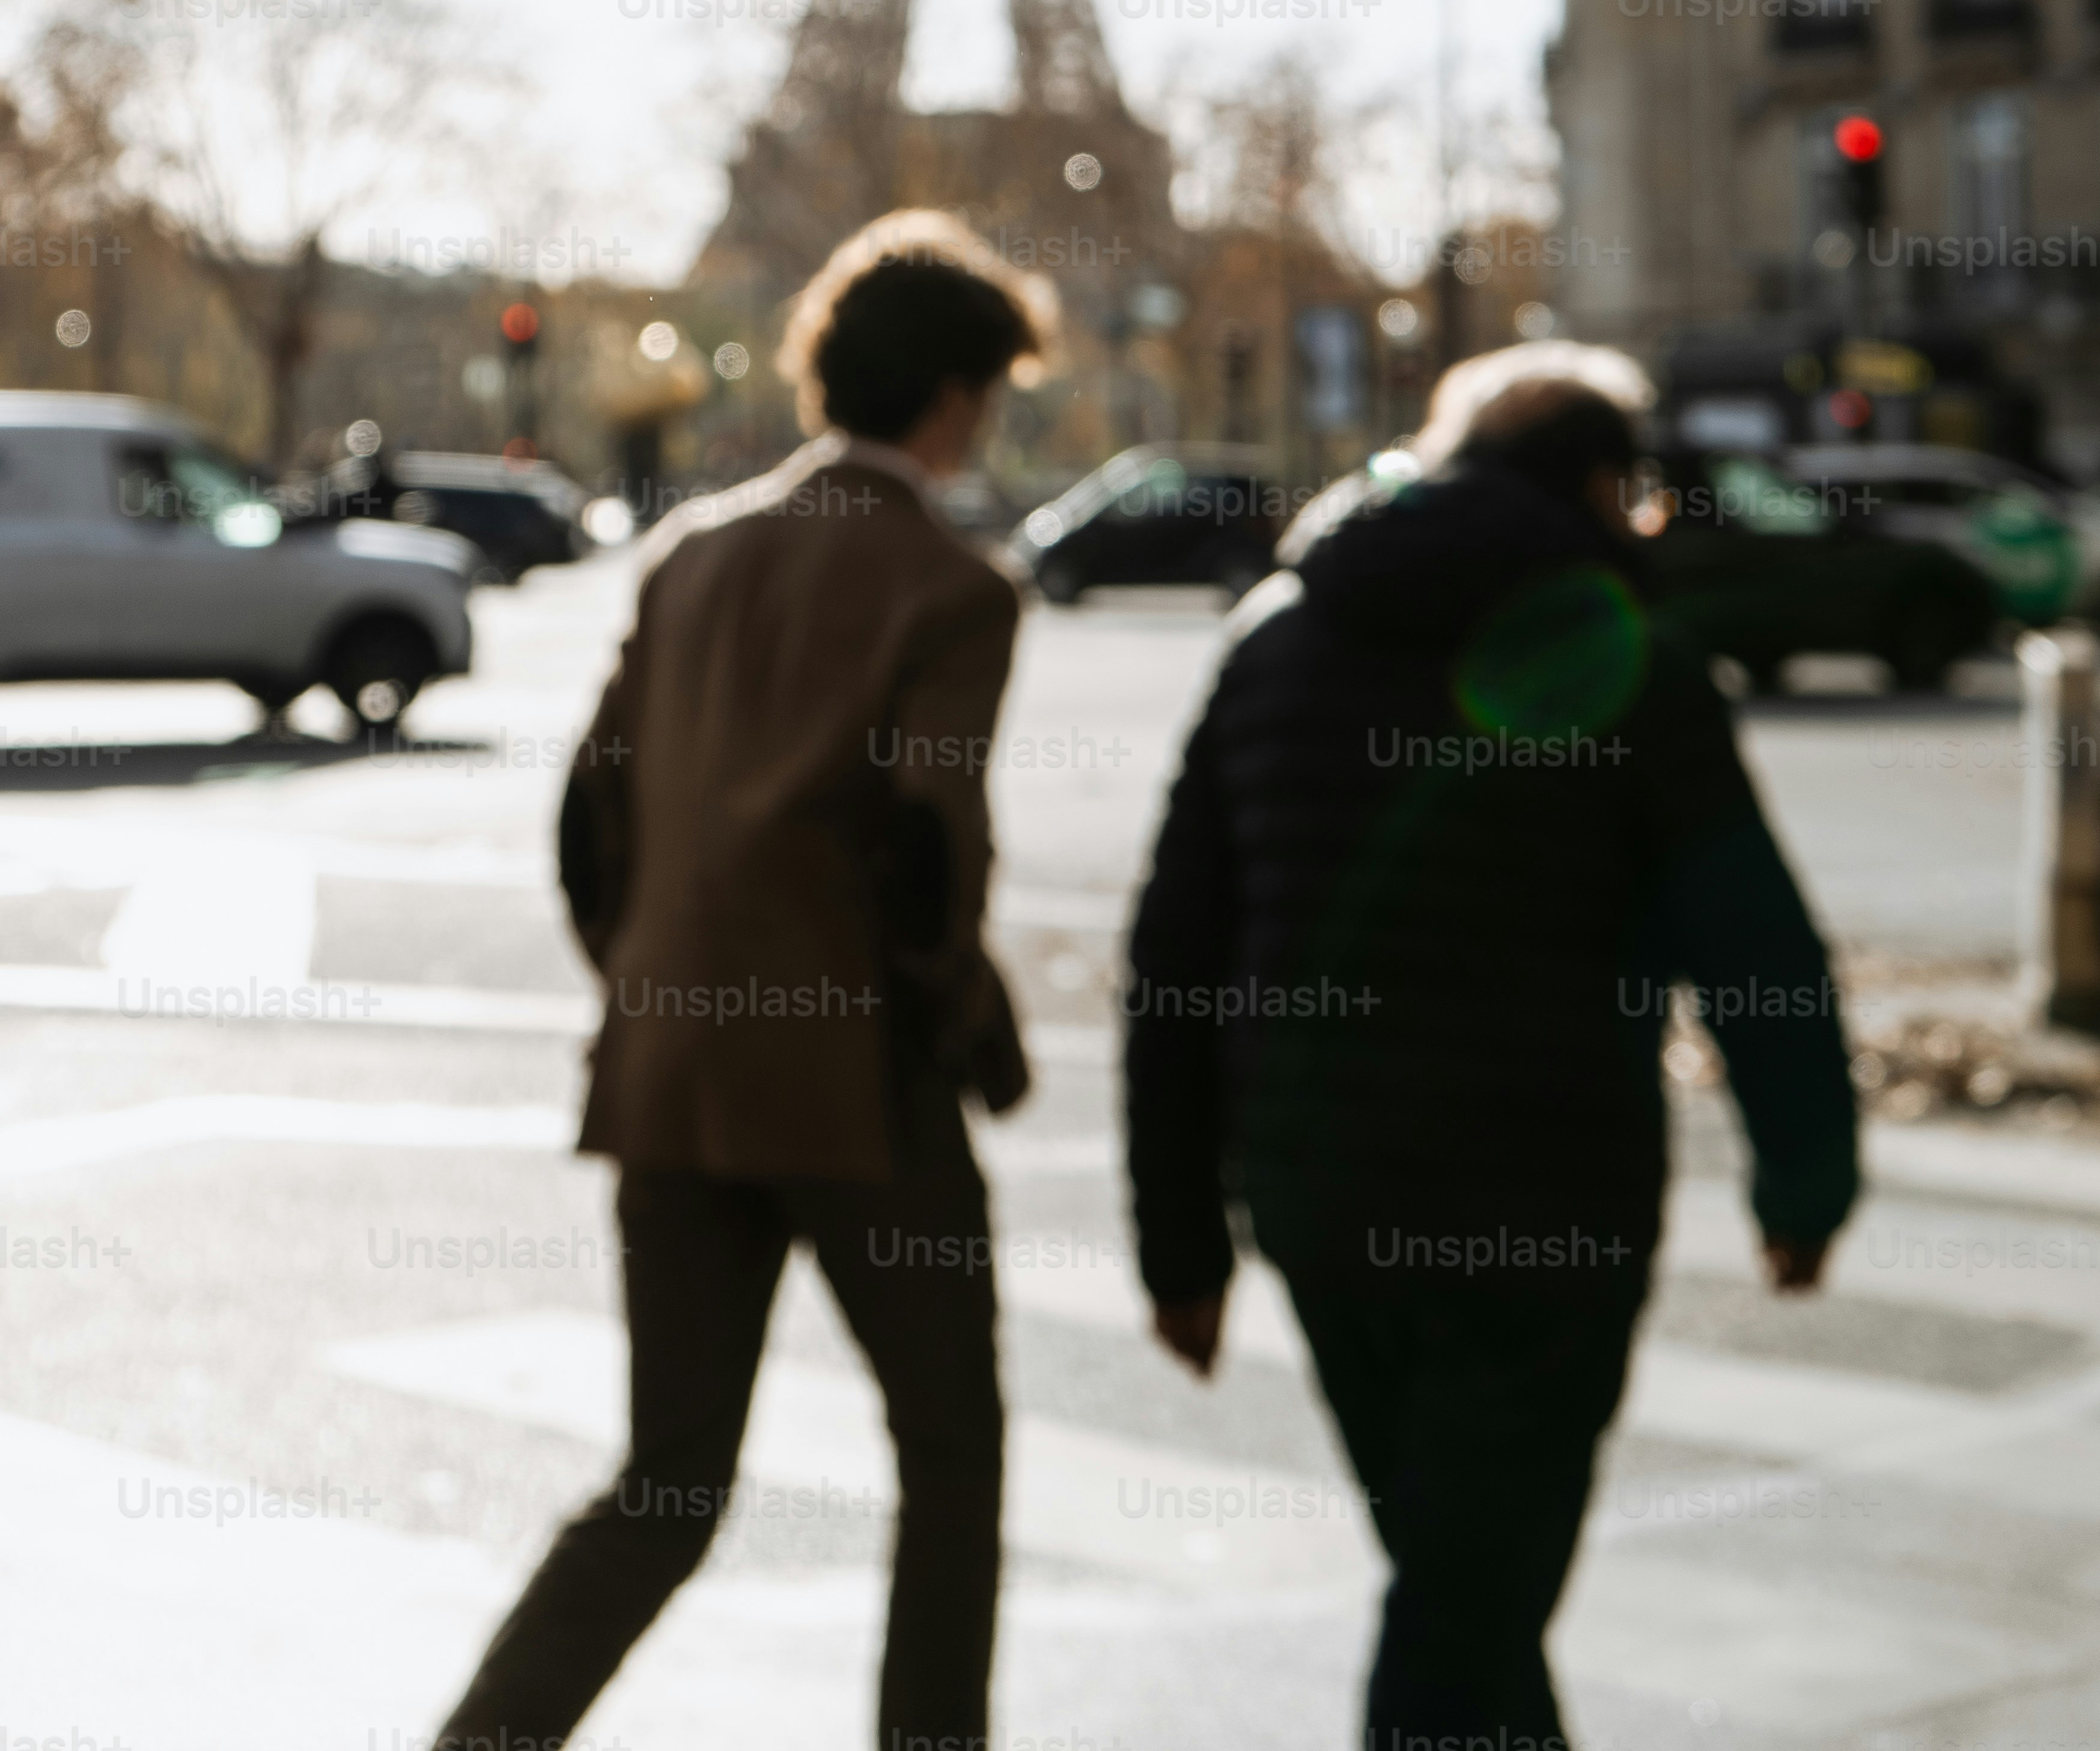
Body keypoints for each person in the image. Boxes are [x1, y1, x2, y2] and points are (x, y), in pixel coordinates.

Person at [1124, 340, 1858, 1751]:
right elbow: (1751, 942)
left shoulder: (1273, 639)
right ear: (1596, 481)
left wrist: (1179, 1239)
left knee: (1461, 1579)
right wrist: (1805, 1177)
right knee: (1467, 1606)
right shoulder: (1623, 654)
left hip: (1320, 1195)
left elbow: (1174, 957)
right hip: (1544, 1200)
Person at [434, 210, 1055, 1751]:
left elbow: (592, 820)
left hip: (668, 1079)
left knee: (665, 1485)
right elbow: (926, 856)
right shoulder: (951, 588)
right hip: (858, 1095)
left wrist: (655, 982)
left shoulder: (693, 557)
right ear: (960, 398)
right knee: (951, 1461)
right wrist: (971, 1031)